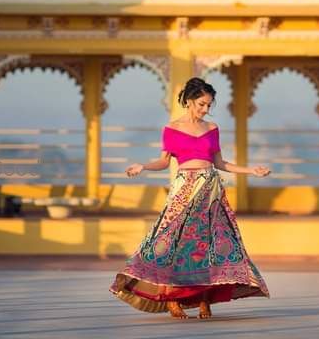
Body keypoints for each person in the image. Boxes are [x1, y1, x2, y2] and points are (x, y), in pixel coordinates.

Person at [109, 77, 271, 319]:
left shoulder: (212, 128)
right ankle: (173, 298)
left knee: (207, 246)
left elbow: (219, 163)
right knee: (173, 243)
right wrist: (142, 166)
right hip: (184, 191)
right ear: (188, 101)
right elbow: (164, 162)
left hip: (210, 191)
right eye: (201, 104)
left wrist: (251, 170)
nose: (205, 109)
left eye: (209, 105)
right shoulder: (172, 129)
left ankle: (205, 301)